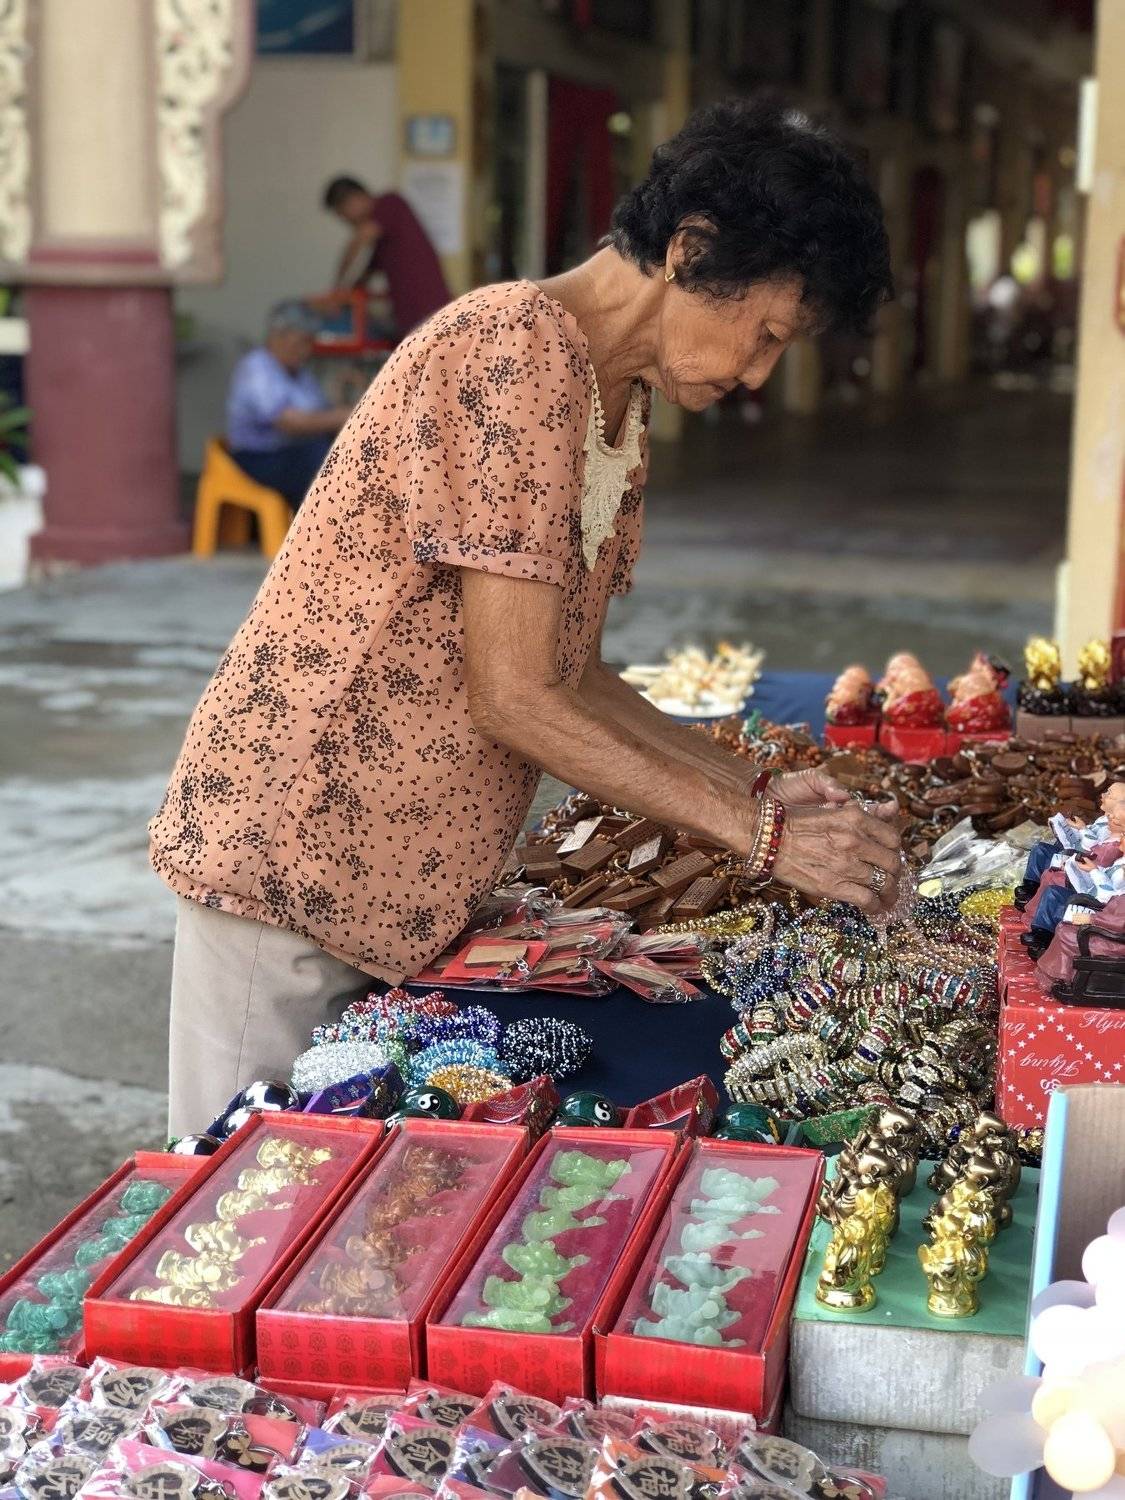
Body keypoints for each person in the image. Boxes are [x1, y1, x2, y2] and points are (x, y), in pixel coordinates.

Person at [154, 99, 902, 1135]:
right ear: (690, 252)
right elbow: (513, 696)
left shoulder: (614, 395)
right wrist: (760, 834)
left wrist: (754, 787)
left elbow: (571, 672)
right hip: (296, 854)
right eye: (765, 334)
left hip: (399, 877)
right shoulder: (513, 351)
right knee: (248, 1189)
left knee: (347, 1191)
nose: (756, 373)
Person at [226, 301, 350, 510]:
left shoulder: (299, 373)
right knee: (327, 463)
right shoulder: (257, 368)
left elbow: (321, 412)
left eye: (309, 342)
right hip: (260, 458)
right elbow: (289, 422)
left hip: (294, 451)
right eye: (301, 342)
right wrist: (345, 416)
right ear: (278, 336)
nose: (306, 350)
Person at [322, 175, 451, 334]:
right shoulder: (379, 241)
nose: (346, 220)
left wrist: (337, 290)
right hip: (409, 318)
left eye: (342, 213)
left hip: (429, 311)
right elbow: (361, 276)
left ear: (354, 199)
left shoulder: (389, 203)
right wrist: (342, 298)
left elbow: (359, 242)